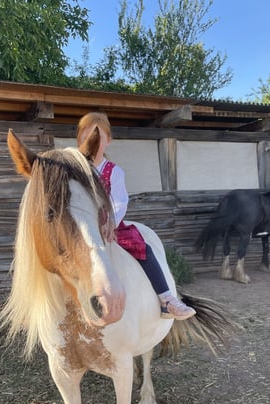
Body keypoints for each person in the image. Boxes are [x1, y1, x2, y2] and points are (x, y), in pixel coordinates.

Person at [76, 112, 195, 320]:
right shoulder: (75, 169)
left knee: (142, 248)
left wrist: (109, 222)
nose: (92, 141)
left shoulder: (113, 171)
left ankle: (167, 299)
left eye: (98, 136)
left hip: (108, 225)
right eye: (87, 136)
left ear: (108, 141)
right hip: (83, 227)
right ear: (79, 140)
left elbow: (119, 201)